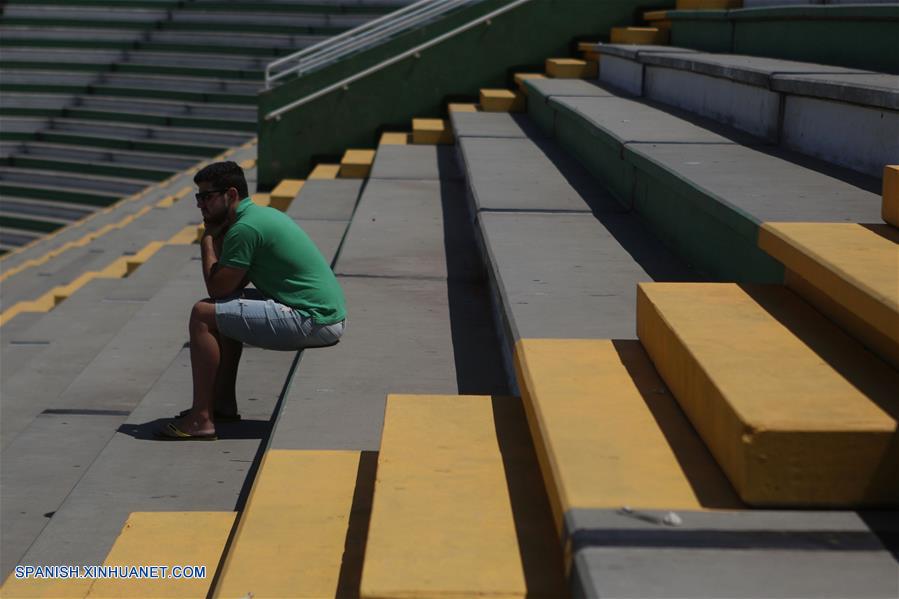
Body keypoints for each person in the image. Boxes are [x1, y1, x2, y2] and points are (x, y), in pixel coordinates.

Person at [157, 161, 346, 440]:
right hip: (322, 315)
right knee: (222, 310)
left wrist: (207, 240)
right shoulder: (258, 217)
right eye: (198, 197)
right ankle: (222, 404)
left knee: (202, 314)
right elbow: (231, 287)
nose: (200, 204)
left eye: (207, 196)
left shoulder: (245, 229)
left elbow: (217, 289)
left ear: (231, 194)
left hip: (313, 320)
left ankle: (201, 419)